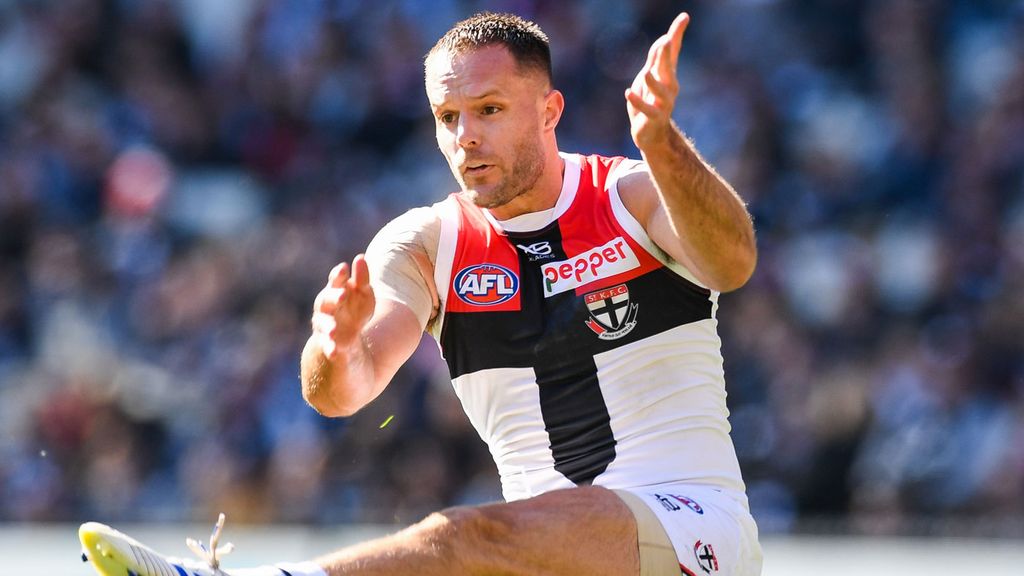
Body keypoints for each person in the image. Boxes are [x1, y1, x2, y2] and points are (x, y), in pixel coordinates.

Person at [80, 11, 761, 576]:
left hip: (692, 532)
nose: (467, 137)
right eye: (448, 117)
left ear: (550, 110)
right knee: (481, 540)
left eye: (489, 110)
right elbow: (342, 393)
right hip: (541, 557)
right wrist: (335, 348)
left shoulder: (630, 194)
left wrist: (664, 148)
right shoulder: (427, 244)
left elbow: (733, 263)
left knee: (460, 537)